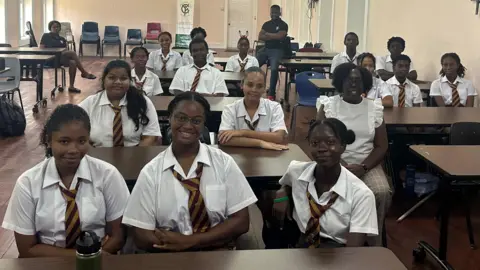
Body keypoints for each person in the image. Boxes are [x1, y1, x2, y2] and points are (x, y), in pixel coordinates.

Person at [122, 92, 258, 252]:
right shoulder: (152, 172)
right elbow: (141, 234)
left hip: (218, 255)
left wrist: (191, 241)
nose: (187, 125)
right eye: (181, 118)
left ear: (204, 125)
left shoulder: (223, 163)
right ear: (170, 119)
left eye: (196, 121)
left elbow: (241, 222)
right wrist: (178, 248)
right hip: (169, 258)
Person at [2, 104, 130, 257]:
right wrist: (85, 257)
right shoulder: (28, 183)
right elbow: (26, 248)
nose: (73, 150)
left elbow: (118, 235)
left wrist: (96, 260)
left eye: (82, 141)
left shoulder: (107, 175)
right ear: (49, 141)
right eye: (64, 141)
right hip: (48, 264)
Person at [263, 118, 378, 248]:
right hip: (301, 245)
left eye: (330, 142)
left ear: (343, 146)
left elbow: (352, 252)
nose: (322, 148)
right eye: (315, 143)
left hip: (337, 253)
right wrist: (282, 192)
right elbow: (287, 183)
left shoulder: (361, 194)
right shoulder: (296, 171)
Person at [316, 63, 391, 246]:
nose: (353, 84)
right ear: (340, 82)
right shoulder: (328, 106)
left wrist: (363, 167)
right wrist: (338, 165)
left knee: (381, 191)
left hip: (366, 164)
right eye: (349, 80)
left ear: (365, 84)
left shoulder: (374, 109)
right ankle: (333, 238)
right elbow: (318, 143)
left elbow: (381, 146)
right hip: (333, 164)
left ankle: (373, 242)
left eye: (358, 80)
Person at [79, 60, 162, 147]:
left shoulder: (143, 102)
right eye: (112, 78)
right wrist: (94, 156)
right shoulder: (90, 103)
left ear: (130, 81)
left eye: (123, 78)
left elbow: (151, 136)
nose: (118, 82)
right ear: (103, 80)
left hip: (135, 156)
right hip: (97, 155)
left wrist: (134, 158)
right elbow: (76, 136)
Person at [218, 67, 288, 150]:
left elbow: (279, 137)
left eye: (259, 86)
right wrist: (260, 143)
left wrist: (243, 133)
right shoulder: (230, 109)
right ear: (242, 85)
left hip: (268, 158)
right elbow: (223, 139)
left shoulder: (274, 108)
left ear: (264, 88)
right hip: (237, 157)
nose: (254, 90)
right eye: (250, 85)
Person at [40, 20, 96, 93]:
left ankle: (71, 86)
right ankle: (84, 72)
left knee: (73, 63)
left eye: (57, 27)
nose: (56, 28)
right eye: (54, 27)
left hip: (59, 60)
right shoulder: (46, 36)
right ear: (50, 28)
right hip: (49, 59)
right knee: (72, 53)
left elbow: (65, 51)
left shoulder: (62, 39)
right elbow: (41, 48)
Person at [257, 4, 289, 100]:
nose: (274, 14)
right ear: (270, 13)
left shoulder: (284, 25)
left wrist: (267, 34)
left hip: (277, 50)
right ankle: (252, 87)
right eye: (272, 12)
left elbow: (280, 36)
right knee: (253, 64)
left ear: (279, 13)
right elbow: (260, 36)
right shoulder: (266, 24)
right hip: (266, 49)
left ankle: (271, 93)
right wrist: (274, 35)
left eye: (276, 12)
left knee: (274, 69)